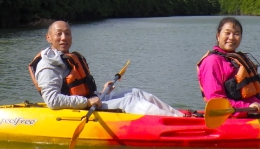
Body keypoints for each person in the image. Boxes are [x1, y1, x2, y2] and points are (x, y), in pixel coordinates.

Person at [29, 21, 183, 116]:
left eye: (67, 33)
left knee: (136, 92)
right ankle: (173, 121)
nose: (64, 37)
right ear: (48, 38)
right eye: (59, 34)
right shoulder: (47, 65)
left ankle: (178, 116)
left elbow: (83, 90)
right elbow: (52, 101)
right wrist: (87, 103)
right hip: (78, 109)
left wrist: (102, 92)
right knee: (129, 101)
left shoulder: (69, 57)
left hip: (91, 100)